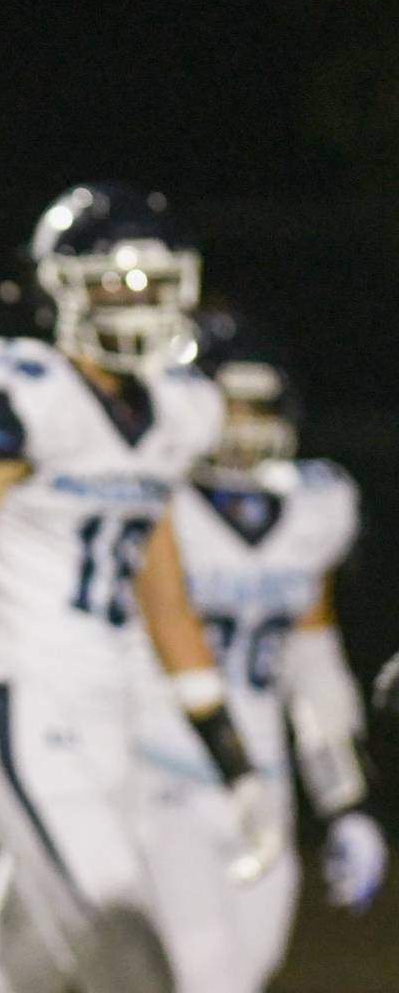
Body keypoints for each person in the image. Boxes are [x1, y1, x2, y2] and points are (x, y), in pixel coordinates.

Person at [0, 183, 282, 993]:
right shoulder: (21, 391)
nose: (137, 303)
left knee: (18, 978)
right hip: (26, 714)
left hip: (111, 726)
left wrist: (239, 764)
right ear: (61, 288)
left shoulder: (180, 410)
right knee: (129, 951)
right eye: (116, 281)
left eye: (154, 283)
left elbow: (167, 605)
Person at [131, 315, 387, 991]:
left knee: (245, 972)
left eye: (259, 408)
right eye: (227, 408)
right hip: (161, 770)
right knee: (203, 972)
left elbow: (312, 659)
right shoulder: (152, 500)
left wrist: (345, 801)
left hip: (266, 779)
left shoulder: (314, 506)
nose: (243, 426)